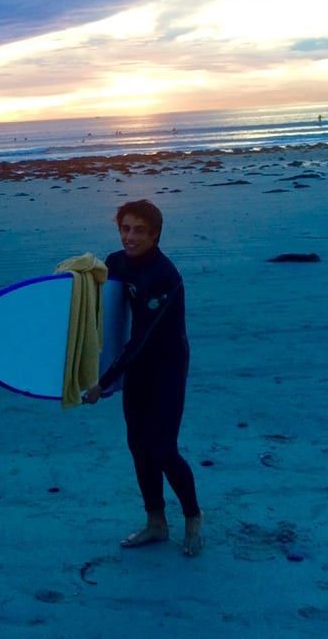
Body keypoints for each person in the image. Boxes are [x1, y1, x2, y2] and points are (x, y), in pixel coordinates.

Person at [82, 200, 203, 556]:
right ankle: (156, 523)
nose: (129, 237)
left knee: (163, 449)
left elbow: (143, 338)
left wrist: (103, 382)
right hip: (136, 366)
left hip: (165, 366)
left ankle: (193, 517)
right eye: (124, 228)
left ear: (155, 234)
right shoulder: (117, 262)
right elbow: (94, 304)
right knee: (138, 446)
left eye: (138, 230)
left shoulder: (165, 276)